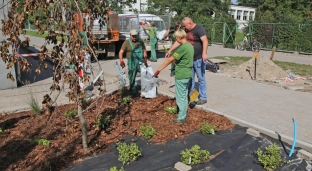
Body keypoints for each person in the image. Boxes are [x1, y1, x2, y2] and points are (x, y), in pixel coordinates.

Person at [153, 29, 194, 123]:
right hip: (187, 74)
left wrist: (158, 70)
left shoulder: (182, 48)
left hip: (181, 74)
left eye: (176, 38)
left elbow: (169, 60)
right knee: (184, 95)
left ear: (179, 37)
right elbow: (179, 59)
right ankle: (183, 113)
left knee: (180, 97)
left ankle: (181, 117)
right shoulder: (189, 46)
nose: (176, 39)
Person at [165, 17, 208, 105]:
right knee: (190, 79)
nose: (184, 28)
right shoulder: (186, 30)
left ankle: (203, 97)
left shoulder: (199, 28)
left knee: (201, 78)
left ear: (190, 24)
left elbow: (205, 41)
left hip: (199, 58)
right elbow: (179, 41)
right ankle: (189, 96)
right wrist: (170, 50)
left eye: (185, 26)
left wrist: (204, 53)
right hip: (189, 60)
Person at [119, 29, 147, 97]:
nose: (134, 37)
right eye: (133, 36)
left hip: (140, 61)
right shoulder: (126, 42)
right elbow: (121, 52)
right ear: (130, 35)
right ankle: (133, 92)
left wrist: (145, 59)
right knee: (132, 77)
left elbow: (144, 50)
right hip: (132, 62)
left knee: (145, 75)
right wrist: (121, 60)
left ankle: (146, 91)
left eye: (135, 36)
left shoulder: (140, 41)